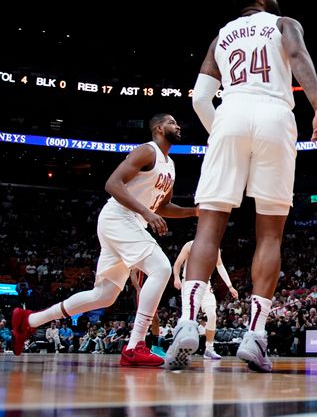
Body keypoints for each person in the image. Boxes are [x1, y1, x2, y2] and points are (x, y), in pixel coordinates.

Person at [167, 0, 317, 373]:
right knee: (270, 231)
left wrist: (222, 130)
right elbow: (299, 58)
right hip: (275, 116)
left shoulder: (221, 36)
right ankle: (254, 337)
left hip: (231, 114)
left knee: (208, 228)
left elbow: (201, 96)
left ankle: (187, 324)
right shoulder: (283, 22)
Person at [11, 114, 196, 366]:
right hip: (119, 217)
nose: (178, 126)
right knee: (161, 268)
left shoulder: (170, 165)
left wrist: (194, 212)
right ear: (160, 128)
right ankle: (135, 346)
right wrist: (145, 212)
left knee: (104, 296)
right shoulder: (147, 151)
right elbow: (112, 183)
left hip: (128, 222)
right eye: (173, 122)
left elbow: (162, 206)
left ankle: (28, 320)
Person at [172, 240, 239, 360]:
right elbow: (177, 264)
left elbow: (220, 267)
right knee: (188, 316)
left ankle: (209, 348)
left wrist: (230, 286)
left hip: (206, 285)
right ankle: (179, 347)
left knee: (212, 315)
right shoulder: (189, 245)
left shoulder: (215, 248)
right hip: (188, 282)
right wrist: (176, 278)